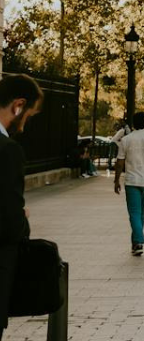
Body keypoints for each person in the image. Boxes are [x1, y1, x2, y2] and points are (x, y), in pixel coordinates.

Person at [0, 73, 40, 337]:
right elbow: (9, 224)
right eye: (27, 115)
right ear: (18, 105)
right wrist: (21, 216)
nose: (24, 126)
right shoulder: (7, 150)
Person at [114, 110, 144, 257]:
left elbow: (119, 163)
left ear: (133, 123)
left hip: (132, 180)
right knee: (140, 213)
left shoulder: (126, 140)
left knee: (134, 213)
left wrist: (116, 180)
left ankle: (138, 241)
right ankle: (135, 244)